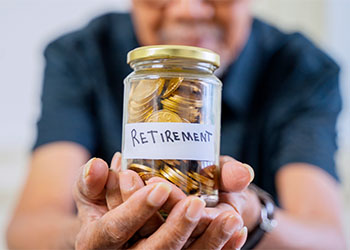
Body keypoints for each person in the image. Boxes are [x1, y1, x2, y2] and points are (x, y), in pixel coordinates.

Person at [7, 0, 346, 249]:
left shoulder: (303, 69)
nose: (188, 10)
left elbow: (328, 238)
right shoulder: (79, 54)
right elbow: (28, 228)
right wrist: (87, 235)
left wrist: (253, 217)